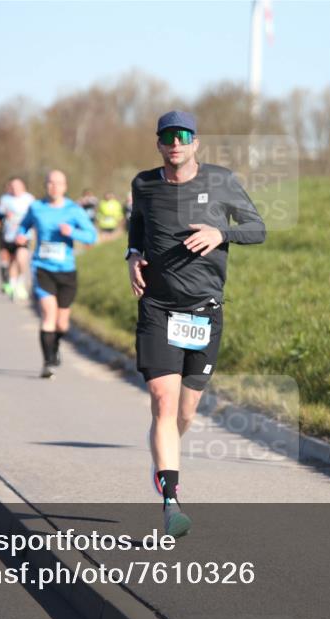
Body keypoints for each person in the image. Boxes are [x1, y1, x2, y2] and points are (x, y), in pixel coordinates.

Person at [127, 111, 265, 537]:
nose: (175, 143)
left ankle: (165, 454)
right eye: (168, 137)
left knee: (185, 411)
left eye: (183, 136)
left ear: (195, 143)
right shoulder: (143, 183)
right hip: (157, 307)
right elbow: (138, 224)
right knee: (162, 402)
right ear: (158, 144)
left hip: (204, 311)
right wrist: (132, 255)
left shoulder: (221, 181)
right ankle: (172, 501)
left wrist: (221, 234)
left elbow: (257, 229)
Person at [16, 170, 97, 378]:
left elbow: (91, 236)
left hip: (67, 271)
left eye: (58, 183)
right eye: (50, 183)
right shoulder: (36, 207)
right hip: (42, 268)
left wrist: (72, 233)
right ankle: (47, 362)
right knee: (48, 315)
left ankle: (56, 345)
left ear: (65, 186)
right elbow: (23, 226)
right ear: (45, 185)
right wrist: (20, 236)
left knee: (62, 323)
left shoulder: (73, 210)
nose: (54, 187)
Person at [0, 177, 36, 302]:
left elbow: (36, 216)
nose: (15, 189)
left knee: (21, 259)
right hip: (8, 235)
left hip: (23, 235)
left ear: (23, 187)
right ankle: (12, 284)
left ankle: (21, 282)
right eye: (12, 186)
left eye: (17, 186)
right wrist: (2, 218)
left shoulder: (29, 199)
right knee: (11, 261)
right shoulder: (5, 199)